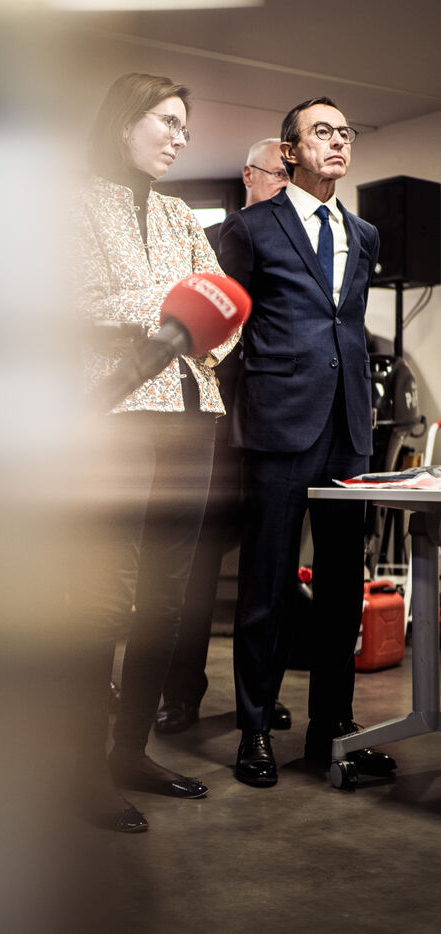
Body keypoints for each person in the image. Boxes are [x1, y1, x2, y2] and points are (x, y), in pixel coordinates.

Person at [70, 72, 239, 831]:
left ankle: (129, 752)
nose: (180, 137)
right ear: (123, 122)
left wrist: (199, 325)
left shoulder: (177, 212)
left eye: (184, 126)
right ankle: (77, 769)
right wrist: (174, 310)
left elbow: (224, 306)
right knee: (105, 601)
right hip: (114, 416)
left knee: (169, 601)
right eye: (167, 121)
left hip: (192, 417)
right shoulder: (70, 203)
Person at [218, 97, 397, 787]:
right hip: (277, 423)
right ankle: (255, 730)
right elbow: (228, 331)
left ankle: (331, 732)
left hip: (348, 425)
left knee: (342, 587)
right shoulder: (249, 228)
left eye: (344, 132)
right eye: (321, 131)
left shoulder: (365, 234)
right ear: (290, 151)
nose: (338, 140)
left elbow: (343, 325)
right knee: (266, 585)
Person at [155, 138, 293, 736]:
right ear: (249, 176)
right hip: (219, 420)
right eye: (278, 173)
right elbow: (209, 329)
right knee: (197, 568)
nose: (286, 184)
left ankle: (256, 696)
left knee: (266, 568)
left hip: (271, 424)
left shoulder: (298, 245)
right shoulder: (224, 237)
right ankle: (181, 693)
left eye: (292, 175)